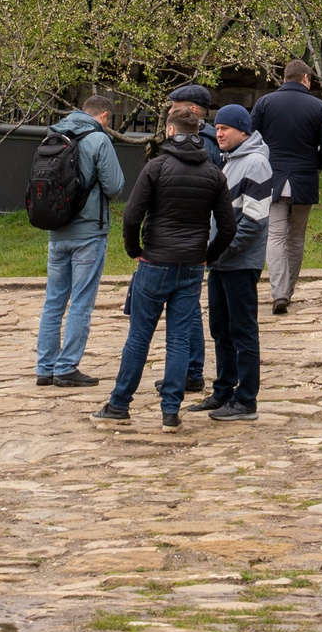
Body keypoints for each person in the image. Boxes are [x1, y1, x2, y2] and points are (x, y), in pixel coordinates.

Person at [94, 100, 233, 429]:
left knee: (139, 337)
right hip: (191, 265)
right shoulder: (214, 173)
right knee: (180, 339)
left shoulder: (156, 167)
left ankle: (120, 403)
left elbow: (131, 216)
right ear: (198, 133)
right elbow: (228, 227)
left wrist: (135, 250)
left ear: (171, 131)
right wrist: (207, 256)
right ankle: (171, 410)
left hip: (155, 260)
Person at [33, 94, 125, 390]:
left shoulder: (53, 135)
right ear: (105, 117)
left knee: (53, 301)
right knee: (81, 302)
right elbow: (115, 187)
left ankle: (45, 368)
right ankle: (67, 367)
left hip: (56, 230)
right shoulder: (99, 141)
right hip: (89, 233)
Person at [197, 103, 272, 420]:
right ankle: (223, 391)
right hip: (222, 261)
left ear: (244, 129)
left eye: (226, 127)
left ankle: (246, 400)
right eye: (217, 127)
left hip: (239, 263)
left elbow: (254, 222)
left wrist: (218, 251)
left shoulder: (255, 163)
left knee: (242, 331)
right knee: (220, 329)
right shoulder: (229, 163)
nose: (219, 132)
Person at [250, 60, 322, 315]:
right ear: (306, 78)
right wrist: (315, 165)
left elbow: (251, 137)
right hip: (304, 177)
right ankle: (288, 291)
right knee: (296, 237)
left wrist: (263, 164)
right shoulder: (318, 106)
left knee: (275, 235)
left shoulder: (265, 103)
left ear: (284, 77)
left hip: (272, 178)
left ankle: (278, 293)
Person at [165, 81, 218, 394]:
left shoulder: (204, 143)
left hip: (191, 232)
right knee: (185, 301)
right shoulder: (199, 138)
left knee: (187, 302)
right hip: (185, 232)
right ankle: (188, 368)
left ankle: (192, 369)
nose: (169, 111)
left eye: (175, 106)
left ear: (193, 111)